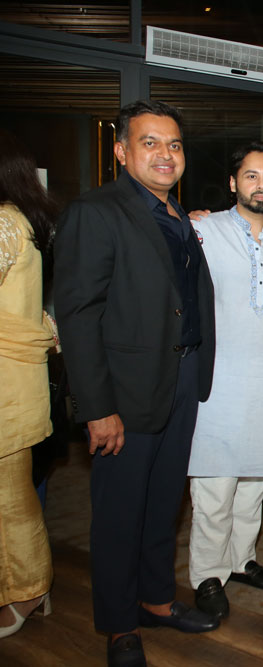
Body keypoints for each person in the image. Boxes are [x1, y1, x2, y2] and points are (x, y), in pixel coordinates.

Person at [54, 100, 219, 666]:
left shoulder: (178, 216)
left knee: (164, 503)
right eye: (150, 143)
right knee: (120, 513)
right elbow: (78, 316)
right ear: (122, 151)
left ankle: (156, 599)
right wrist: (97, 407)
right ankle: (120, 625)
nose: (165, 154)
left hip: (182, 378)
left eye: (174, 144)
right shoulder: (96, 211)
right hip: (125, 392)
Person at [185, 142, 263, 620]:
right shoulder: (203, 230)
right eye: (252, 176)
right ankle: (207, 574)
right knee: (215, 484)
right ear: (233, 182)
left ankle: (240, 560)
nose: (262, 185)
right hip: (219, 381)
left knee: (255, 481)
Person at [0, 130, 58, 638]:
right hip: (19, 383)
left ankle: (29, 589)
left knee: (11, 501)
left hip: (8, 390)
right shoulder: (24, 221)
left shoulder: (4, 223)